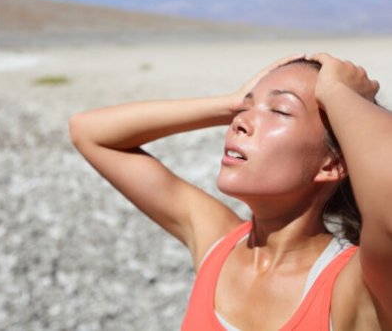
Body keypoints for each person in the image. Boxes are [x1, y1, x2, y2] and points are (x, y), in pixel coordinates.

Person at [69, 53, 392, 330]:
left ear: (331, 165)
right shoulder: (218, 246)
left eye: (279, 110)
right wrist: (232, 102)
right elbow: (89, 131)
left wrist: (340, 93)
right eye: (244, 110)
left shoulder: (358, 284)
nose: (240, 122)